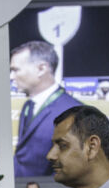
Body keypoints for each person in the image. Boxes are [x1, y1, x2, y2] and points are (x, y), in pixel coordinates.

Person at [10, 40, 82, 177]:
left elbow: (71, 172)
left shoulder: (74, 112)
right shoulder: (28, 105)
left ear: (41, 69)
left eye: (16, 70)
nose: (11, 77)